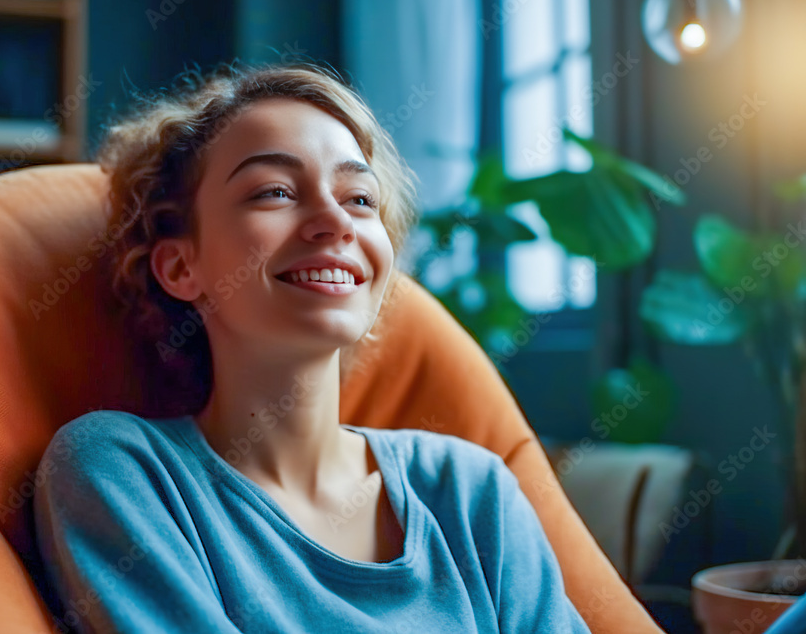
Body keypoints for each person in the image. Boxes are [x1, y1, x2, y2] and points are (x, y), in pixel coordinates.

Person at [32, 59, 592, 633]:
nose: (335, 221)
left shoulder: (471, 490)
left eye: (360, 199)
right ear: (181, 265)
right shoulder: (122, 471)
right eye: (274, 191)